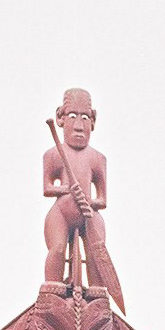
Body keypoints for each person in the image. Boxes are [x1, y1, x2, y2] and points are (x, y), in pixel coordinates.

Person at [41, 88, 109, 292]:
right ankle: (53, 288)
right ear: (60, 118)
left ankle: (97, 290)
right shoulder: (53, 154)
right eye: (72, 116)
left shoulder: (97, 159)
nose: (79, 126)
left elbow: (103, 199)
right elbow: (46, 187)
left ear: (93, 121)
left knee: (96, 252)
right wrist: (67, 189)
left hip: (89, 216)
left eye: (85, 117)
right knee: (58, 248)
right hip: (62, 212)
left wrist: (90, 203)